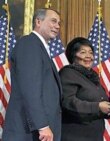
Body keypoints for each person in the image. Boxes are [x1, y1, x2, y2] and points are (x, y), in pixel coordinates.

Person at [2, 8, 62, 141]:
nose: (57, 26)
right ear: (38, 21)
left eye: (59, 23)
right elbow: (31, 88)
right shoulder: (29, 43)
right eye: (53, 21)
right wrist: (42, 125)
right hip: (28, 132)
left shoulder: (40, 47)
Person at [59, 37, 110, 141]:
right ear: (73, 55)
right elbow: (68, 102)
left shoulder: (92, 77)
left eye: (91, 53)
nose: (88, 56)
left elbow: (102, 103)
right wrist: (98, 107)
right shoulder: (68, 73)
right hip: (75, 136)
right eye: (83, 52)